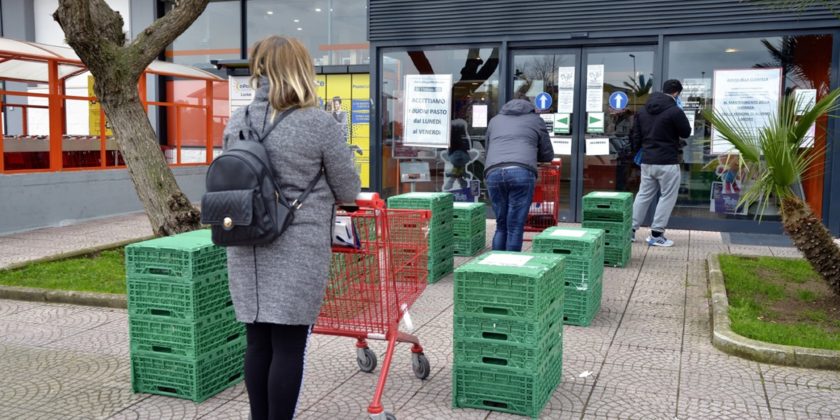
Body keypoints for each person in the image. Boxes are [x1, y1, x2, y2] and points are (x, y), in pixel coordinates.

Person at [223, 36, 361, 420]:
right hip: (297, 245)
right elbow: (348, 189)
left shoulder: (238, 120)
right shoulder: (319, 123)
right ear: (301, 69)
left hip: (245, 240)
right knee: (288, 346)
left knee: (258, 342)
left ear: (259, 69)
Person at [484, 98, 554, 251]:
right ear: (530, 108)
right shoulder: (536, 120)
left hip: (494, 171)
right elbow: (547, 154)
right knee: (515, 225)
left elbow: (488, 148)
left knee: (501, 224)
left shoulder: (495, 120)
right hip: (521, 171)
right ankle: (511, 268)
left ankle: (495, 265)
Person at [630, 79, 692, 247]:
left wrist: (639, 153)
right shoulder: (674, 111)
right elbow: (686, 132)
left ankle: (630, 231)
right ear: (677, 93)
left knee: (643, 195)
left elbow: (635, 136)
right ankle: (656, 235)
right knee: (667, 196)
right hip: (667, 161)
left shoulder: (643, 111)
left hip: (647, 161)